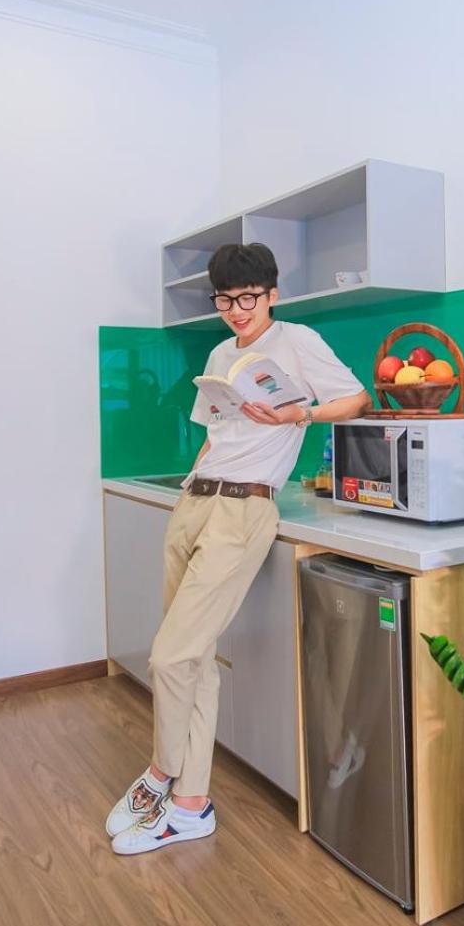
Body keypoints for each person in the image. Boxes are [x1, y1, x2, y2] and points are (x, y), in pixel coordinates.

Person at [106, 242, 370, 855]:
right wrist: (187, 489)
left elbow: (356, 399)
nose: (236, 311)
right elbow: (214, 432)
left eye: (247, 298)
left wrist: (296, 417)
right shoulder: (221, 353)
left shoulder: (296, 340)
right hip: (196, 502)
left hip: (245, 508)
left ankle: (161, 773)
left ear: (272, 295)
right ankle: (191, 804)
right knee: (194, 658)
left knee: (169, 657)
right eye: (224, 300)